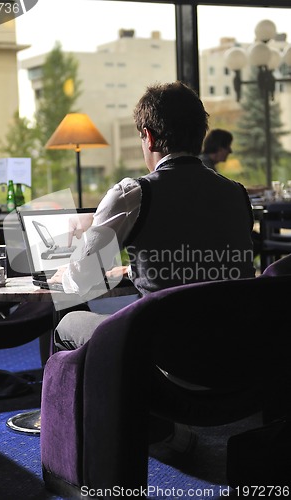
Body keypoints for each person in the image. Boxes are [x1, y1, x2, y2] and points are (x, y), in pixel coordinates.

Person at [49, 81, 255, 352]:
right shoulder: (237, 194)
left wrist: (65, 272)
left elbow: (83, 281)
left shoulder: (133, 194)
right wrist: (136, 268)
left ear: (149, 136)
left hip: (165, 349)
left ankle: (92, 394)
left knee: (68, 323)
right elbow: (199, 259)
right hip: (233, 345)